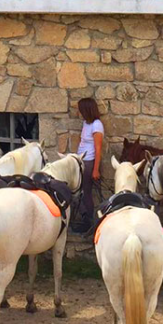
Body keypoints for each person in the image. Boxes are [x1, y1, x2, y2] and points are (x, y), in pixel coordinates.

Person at [70, 97, 104, 235]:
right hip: (81, 160)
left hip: (89, 161)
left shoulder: (97, 125)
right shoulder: (86, 123)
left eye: (80, 110)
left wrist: (95, 169)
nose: (79, 113)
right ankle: (84, 217)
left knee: (86, 191)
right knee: (78, 190)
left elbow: (98, 148)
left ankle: (88, 220)